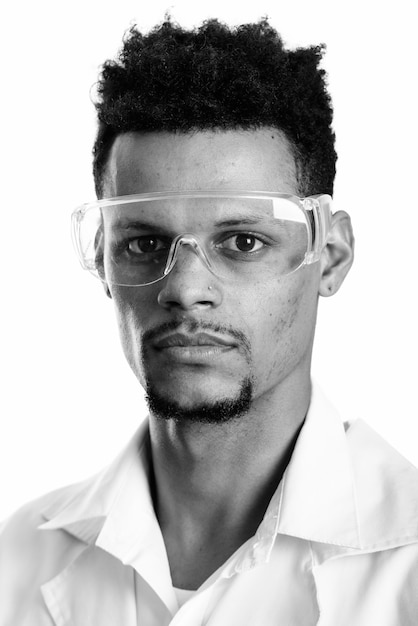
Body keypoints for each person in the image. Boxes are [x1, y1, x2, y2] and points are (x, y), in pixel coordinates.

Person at [1, 18, 417, 625]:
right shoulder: (16, 561)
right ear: (102, 261)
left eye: (243, 242)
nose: (186, 288)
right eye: (144, 243)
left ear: (330, 258)